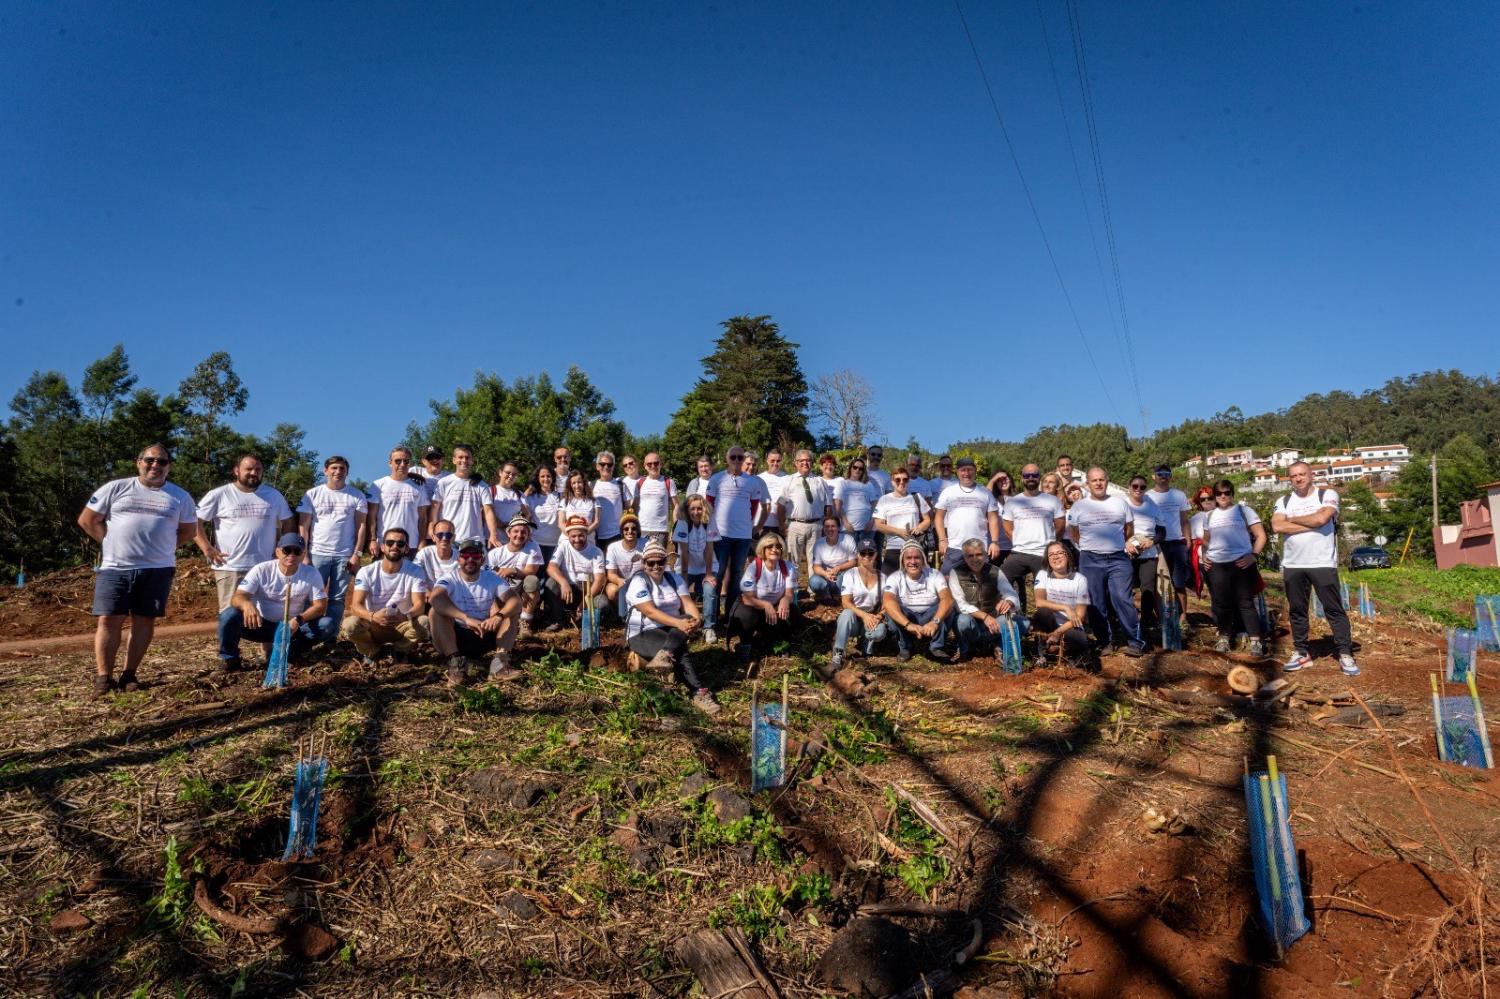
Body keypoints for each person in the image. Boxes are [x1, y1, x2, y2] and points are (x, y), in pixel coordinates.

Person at [77, 443, 197, 695]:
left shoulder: (180, 496)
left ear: (169, 466)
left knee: (144, 620)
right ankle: (103, 678)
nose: (155, 465)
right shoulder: (116, 488)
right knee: (109, 620)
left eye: (162, 462)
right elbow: (87, 520)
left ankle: (129, 674)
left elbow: (188, 531)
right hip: (115, 568)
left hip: (158, 569)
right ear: (139, 462)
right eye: (150, 460)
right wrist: (110, 543)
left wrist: (163, 548)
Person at [1273, 461, 1358, 676]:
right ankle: (1302, 653)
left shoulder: (1327, 495)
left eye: (1302, 474)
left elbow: (1322, 518)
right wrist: (1310, 522)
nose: (1298, 478)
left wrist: (1292, 521)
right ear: (1289, 479)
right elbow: (1277, 526)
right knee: (1297, 610)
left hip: (1321, 562)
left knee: (1333, 609)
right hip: (1293, 564)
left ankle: (1345, 653)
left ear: (1311, 475)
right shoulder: (1283, 501)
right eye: (1293, 476)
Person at [625, 539, 718, 714]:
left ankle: (665, 655)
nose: (655, 566)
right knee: (680, 650)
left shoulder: (674, 579)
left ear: (665, 562)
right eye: (650, 563)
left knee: (686, 618)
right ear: (644, 564)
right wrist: (679, 623)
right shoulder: (638, 581)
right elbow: (650, 612)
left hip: (672, 631)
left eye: (660, 562)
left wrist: (696, 619)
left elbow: (688, 604)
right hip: (643, 632)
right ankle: (698, 691)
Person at [195, 454, 295, 612]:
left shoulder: (273, 495)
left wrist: (284, 549)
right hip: (230, 566)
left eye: (258, 469)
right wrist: (207, 549)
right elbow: (195, 521)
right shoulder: (219, 494)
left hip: (266, 566)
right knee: (230, 614)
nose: (254, 473)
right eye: (248, 469)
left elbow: (288, 521)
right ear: (236, 471)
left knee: (264, 613)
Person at [218, 532, 328, 673]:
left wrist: (299, 620)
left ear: (303, 554)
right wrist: (246, 604)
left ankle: (288, 654)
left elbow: (320, 606)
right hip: (262, 626)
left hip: (292, 628)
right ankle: (230, 659)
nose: (292, 555)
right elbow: (237, 597)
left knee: (327, 625)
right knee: (228, 615)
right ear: (277, 552)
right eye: (287, 550)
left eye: (297, 551)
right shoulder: (261, 570)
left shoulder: (311, 573)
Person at [1067, 467, 1147, 656]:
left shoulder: (1120, 503)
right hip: (1090, 558)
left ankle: (1135, 642)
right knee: (1095, 602)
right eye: (1094, 480)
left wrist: (1117, 544)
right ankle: (1105, 642)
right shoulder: (1079, 506)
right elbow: (1073, 533)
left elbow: (1129, 529)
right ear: (1088, 483)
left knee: (1122, 598)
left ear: (1107, 481)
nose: (1098, 483)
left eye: (1102, 480)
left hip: (1118, 557)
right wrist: (1088, 545)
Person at [429, 538, 521, 686]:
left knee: (512, 612)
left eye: (476, 556)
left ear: (482, 559)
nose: (470, 559)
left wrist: (498, 616)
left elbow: (515, 601)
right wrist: (466, 618)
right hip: (456, 636)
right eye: (465, 555)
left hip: (484, 631)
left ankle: (500, 664)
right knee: (435, 612)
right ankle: (455, 664)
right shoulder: (449, 578)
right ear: (459, 559)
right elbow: (435, 598)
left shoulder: (492, 578)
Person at [296, 455, 367, 641]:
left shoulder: (357, 495)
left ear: (347, 472)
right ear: (325, 471)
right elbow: (303, 525)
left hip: (344, 555)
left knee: (337, 599)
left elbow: (361, 527)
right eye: (334, 468)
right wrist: (304, 555)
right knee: (309, 595)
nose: (338, 472)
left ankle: (330, 637)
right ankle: (305, 636)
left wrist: (356, 555)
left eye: (342, 468)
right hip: (317, 553)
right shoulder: (312, 495)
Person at [341, 527, 430, 665]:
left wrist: (405, 616)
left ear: (406, 549)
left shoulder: (415, 571)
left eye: (400, 544)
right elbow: (355, 606)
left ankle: (399, 650)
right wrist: (373, 616)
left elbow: (419, 605)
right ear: (382, 547)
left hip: (401, 623)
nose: (395, 546)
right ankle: (373, 652)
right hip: (374, 623)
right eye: (390, 543)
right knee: (350, 625)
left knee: (424, 622)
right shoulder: (367, 571)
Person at [1199, 479, 1268, 656]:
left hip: (1240, 563)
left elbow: (1260, 535)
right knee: (1221, 603)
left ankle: (1255, 641)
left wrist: (1253, 555)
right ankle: (1224, 638)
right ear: (1214, 496)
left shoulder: (1244, 511)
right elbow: (1207, 539)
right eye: (1219, 494)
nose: (1223, 496)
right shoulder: (1209, 516)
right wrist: (1204, 555)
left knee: (1245, 602)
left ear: (1232, 494)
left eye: (1227, 493)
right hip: (1216, 564)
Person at [706, 446, 769, 617]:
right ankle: (712, 616)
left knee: (737, 574)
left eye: (739, 458)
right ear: (727, 458)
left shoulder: (752, 482)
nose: (736, 460)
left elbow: (754, 507)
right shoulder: (716, 479)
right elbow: (708, 505)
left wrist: (752, 527)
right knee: (718, 574)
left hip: (742, 536)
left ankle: (730, 614)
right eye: (732, 457)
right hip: (721, 534)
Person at [1001, 463, 1065, 615]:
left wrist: (1049, 543)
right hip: (1019, 553)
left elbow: (1060, 526)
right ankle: (1012, 617)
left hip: (1043, 553)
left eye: (1034, 475)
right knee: (999, 579)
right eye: (1026, 475)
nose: (1030, 478)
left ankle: (1046, 628)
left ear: (1039, 478)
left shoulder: (1052, 501)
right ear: (1022, 478)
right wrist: (1019, 540)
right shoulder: (1013, 501)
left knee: (1048, 592)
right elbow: (1008, 528)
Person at [727, 532, 798, 665]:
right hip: (754, 607)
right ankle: (745, 644)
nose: (774, 549)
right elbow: (747, 598)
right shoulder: (754, 567)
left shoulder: (787, 566)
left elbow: (789, 594)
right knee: (745, 614)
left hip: (774, 608)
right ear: (763, 549)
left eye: (778, 546)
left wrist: (785, 600)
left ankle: (780, 641)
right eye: (770, 546)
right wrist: (765, 605)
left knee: (791, 610)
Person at [947, 539, 1021, 664]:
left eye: (979, 554)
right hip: (972, 623)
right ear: (964, 557)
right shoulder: (956, 573)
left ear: (985, 555)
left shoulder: (995, 571)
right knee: (962, 620)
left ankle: (999, 648)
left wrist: (1009, 602)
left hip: (993, 622)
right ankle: (965, 649)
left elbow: (1011, 594)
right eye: (970, 555)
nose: (975, 559)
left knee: (1018, 623)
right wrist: (984, 616)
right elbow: (960, 605)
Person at [882, 541, 955, 662]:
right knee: (891, 610)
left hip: (930, 617)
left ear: (923, 559)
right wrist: (908, 624)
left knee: (948, 606)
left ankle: (936, 647)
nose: (913, 562)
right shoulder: (895, 577)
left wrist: (935, 622)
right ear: (902, 561)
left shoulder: (934, 574)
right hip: (907, 618)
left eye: (917, 557)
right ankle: (905, 647)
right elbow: (888, 601)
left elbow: (947, 599)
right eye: (908, 558)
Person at [829, 540, 893, 672]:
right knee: (846, 614)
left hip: (872, 615)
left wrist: (879, 616)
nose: (867, 557)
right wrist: (864, 615)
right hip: (855, 616)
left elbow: (888, 603)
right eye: (863, 553)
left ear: (876, 554)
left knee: (880, 632)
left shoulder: (883, 577)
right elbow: (846, 602)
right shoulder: (850, 574)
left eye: (871, 553)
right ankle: (838, 653)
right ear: (858, 555)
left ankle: (867, 643)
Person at [934, 456, 1001, 573]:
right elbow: (939, 517)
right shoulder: (948, 492)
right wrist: (942, 540)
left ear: (975, 472)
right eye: (963, 470)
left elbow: (993, 518)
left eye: (970, 470)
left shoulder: (986, 493)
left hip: (979, 548)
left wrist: (995, 542)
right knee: (946, 579)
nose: (966, 473)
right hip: (955, 547)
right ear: (957, 472)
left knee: (981, 582)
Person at [778, 449, 833, 590]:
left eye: (808, 460)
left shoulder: (820, 482)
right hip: (794, 525)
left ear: (812, 462)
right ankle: (793, 591)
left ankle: (813, 590)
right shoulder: (788, 480)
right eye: (801, 461)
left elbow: (828, 506)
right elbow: (780, 505)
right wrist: (781, 525)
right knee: (793, 560)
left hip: (816, 525)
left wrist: (826, 526)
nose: (805, 463)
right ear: (796, 463)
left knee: (814, 560)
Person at [1032, 541, 1092, 666]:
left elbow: (1080, 616)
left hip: (1070, 625)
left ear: (1067, 555)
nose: (1055, 557)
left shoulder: (1080, 579)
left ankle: (1071, 656)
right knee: (1042, 612)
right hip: (1050, 623)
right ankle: (1041, 654)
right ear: (1047, 559)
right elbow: (1039, 602)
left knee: (1077, 641)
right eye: (1051, 554)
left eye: (1060, 553)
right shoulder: (1043, 575)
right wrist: (1065, 608)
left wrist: (1058, 633)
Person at [671, 494, 721, 644]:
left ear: (704, 509)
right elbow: (684, 551)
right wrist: (685, 577)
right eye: (692, 508)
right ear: (687, 509)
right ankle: (682, 625)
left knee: (709, 591)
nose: (696, 512)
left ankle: (708, 627)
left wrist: (708, 574)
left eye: (699, 508)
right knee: (679, 594)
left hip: (707, 566)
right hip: (686, 567)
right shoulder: (682, 523)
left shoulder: (709, 521)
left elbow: (709, 548)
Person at [367, 446, 431, 560]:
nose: (402, 464)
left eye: (406, 461)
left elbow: (423, 518)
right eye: (398, 461)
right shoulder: (377, 485)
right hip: (386, 544)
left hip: (411, 545)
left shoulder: (419, 486)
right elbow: (371, 517)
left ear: (410, 464)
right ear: (390, 463)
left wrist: (422, 540)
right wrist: (372, 540)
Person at [544, 516, 607, 631]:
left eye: (581, 535)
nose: (577, 539)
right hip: (568, 590)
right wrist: (563, 582)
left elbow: (599, 580)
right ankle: (559, 620)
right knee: (551, 583)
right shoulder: (563, 546)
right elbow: (551, 568)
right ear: (568, 535)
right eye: (573, 536)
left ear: (586, 534)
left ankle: (584, 621)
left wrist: (585, 601)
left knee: (602, 603)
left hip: (587, 590)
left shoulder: (596, 552)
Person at [486, 514, 546, 634]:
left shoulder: (533, 547)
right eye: (516, 531)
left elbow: (531, 571)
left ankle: (525, 621)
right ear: (508, 533)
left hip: (520, 588)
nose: (519, 535)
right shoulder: (494, 554)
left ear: (528, 535)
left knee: (532, 580)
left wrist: (512, 570)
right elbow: (486, 580)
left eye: (524, 532)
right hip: (500, 592)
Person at [431, 444, 500, 549]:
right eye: (460, 457)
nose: (464, 460)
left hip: (474, 540)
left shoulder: (482, 485)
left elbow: (488, 511)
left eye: (467, 457)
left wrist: (493, 535)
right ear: (454, 460)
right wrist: (435, 532)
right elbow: (434, 510)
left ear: (472, 460)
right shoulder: (444, 482)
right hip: (448, 539)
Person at [1123, 475, 1164, 646]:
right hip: (1127, 552)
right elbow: (1116, 527)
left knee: (1147, 588)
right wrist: (1126, 543)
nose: (1138, 489)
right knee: (1126, 588)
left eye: (1142, 486)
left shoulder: (1152, 505)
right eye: (1135, 486)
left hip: (1149, 554)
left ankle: (1146, 622)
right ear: (1129, 487)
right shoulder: (1122, 504)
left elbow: (1162, 532)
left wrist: (1151, 542)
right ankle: (1127, 621)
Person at [1147, 465, 1194, 612]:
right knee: (1158, 583)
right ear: (1153, 476)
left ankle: (1183, 616)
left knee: (1179, 582)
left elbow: (1184, 519)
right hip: (1157, 544)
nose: (1163, 476)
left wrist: (1188, 539)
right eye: (1160, 474)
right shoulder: (1147, 496)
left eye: (1167, 474)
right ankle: (1162, 617)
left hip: (1177, 542)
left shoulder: (1179, 495)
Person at [872, 468, 933, 574]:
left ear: (908, 481)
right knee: (888, 581)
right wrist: (899, 532)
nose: (901, 482)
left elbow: (927, 520)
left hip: (914, 546)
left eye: (905, 480)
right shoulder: (884, 499)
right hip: (894, 547)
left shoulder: (916, 497)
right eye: (897, 480)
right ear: (892, 482)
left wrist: (919, 527)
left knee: (915, 582)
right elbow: (878, 525)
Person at [808, 515, 858, 604]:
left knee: (842, 583)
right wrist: (825, 574)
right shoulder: (819, 543)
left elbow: (853, 562)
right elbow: (816, 567)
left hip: (843, 575)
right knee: (814, 581)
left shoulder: (848, 539)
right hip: (826, 576)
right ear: (823, 528)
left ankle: (839, 595)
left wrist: (839, 568)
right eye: (827, 526)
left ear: (838, 528)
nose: (830, 529)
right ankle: (826, 594)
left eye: (833, 526)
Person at [604, 513, 646, 618]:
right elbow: (611, 574)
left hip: (642, 582)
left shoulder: (647, 543)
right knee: (611, 590)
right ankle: (625, 613)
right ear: (622, 531)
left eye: (634, 528)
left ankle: (641, 612)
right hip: (622, 582)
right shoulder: (613, 547)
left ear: (638, 530)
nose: (630, 531)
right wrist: (620, 581)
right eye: (626, 529)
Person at [631, 452, 677, 547]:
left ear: (661, 464)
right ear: (645, 466)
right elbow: (634, 507)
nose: (653, 466)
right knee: (641, 560)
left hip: (661, 531)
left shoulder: (668, 482)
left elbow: (676, 506)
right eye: (649, 464)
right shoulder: (639, 483)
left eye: (656, 463)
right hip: (641, 529)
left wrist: (675, 528)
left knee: (659, 560)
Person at [840, 456, 881, 549]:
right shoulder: (843, 483)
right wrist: (845, 522)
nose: (857, 470)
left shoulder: (868, 484)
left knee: (866, 556)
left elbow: (875, 504)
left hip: (867, 528)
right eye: (855, 467)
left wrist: (871, 521)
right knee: (849, 558)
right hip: (848, 528)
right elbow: (839, 505)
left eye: (861, 468)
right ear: (850, 468)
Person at [525, 466, 563, 563]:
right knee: (536, 576)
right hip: (536, 544)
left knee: (551, 576)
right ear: (538, 478)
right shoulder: (531, 498)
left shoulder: (560, 496)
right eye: (542, 476)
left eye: (548, 476)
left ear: (553, 478)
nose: (545, 479)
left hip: (556, 544)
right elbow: (524, 517)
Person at [592, 451, 627, 550]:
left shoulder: (621, 485)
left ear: (613, 466)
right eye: (602, 464)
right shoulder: (591, 486)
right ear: (597, 466)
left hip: (617, 535)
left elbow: (628, 509)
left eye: (609, 464)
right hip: (596, 536)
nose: (606, 467)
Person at [1188, 485, 1215, 596]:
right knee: (1215, 593)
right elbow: (1194, 543)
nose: (1207, 501)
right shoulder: (1195, 519)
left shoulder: (1226, 514)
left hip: (1228, 559)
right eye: (1203, 499)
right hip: (1206, 562)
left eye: (1210, 498)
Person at [559, 470, 599, 542]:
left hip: (588, 541)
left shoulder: (594, 501)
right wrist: (573, 537)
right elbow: (560, 523)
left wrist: (582, 536)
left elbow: (596, 522)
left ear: (584, 483)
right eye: (573, 483)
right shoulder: (564, 501)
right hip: (567, 541)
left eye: (579, 482)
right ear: (570, 485)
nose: (577, 486)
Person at [414, 519, 458, 583]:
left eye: (448, 535)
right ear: (433, 537)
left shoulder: (461, 558)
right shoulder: (424, 553)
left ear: (454, 538)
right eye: (440, 535)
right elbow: (414, 575)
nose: (444, 538)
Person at [757, 448, 789, 538]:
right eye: (772, 460)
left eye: (778, 461)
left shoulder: (788, 478)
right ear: (767, 461)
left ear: (781, 461)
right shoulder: (759, 478)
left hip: (780, 525)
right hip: (761, 524)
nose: (775, 463)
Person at [491, 461, 527, 528]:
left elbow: (526, 514)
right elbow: (486, 513)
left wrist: (515, 526)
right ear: (500, 473)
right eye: (508, 473)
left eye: (514, 474)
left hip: (513, 537)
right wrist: (505, 527)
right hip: (493, 537)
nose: (510, 476)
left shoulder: (519, 494)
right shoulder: (489, 491)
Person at [817, 453, 846, 523]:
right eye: (826, 464)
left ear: (835, 467)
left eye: (831, 464)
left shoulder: (841, 480)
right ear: (821, 467)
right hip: (820, 520)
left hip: (838, 520)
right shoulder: (817, 481)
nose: (829, 467)